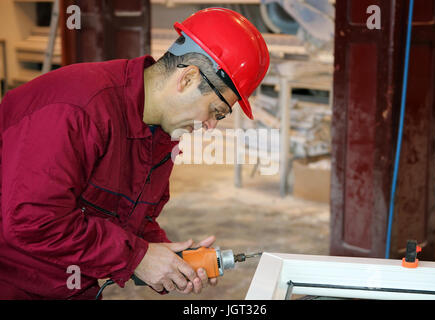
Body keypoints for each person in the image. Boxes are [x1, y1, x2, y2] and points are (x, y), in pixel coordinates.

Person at [0, 7, 269, 299]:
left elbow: (128, 217)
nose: (210, 125)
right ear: (188, 79)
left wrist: (168, 260)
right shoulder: (78, 109)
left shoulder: (160, 135)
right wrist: (138, 258)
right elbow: (32, 220)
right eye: (216, 111)